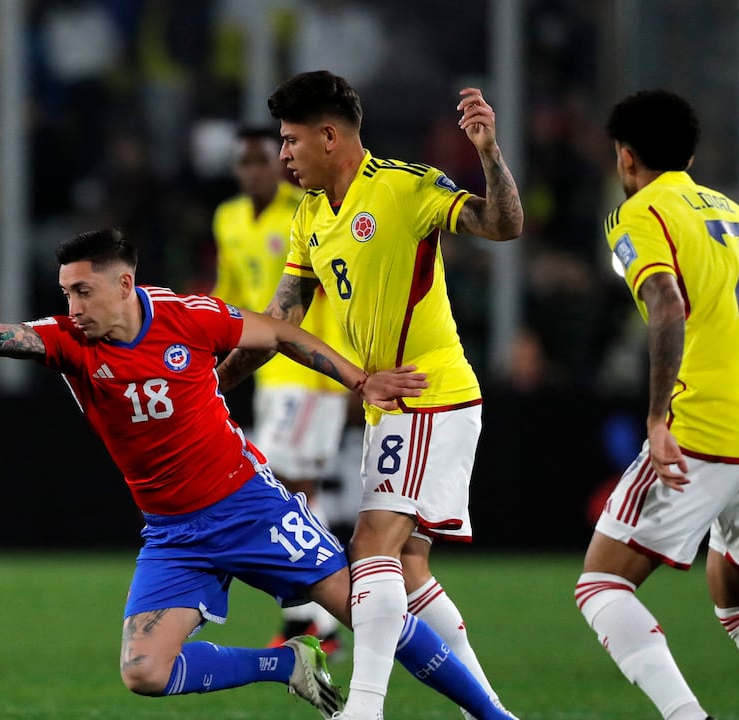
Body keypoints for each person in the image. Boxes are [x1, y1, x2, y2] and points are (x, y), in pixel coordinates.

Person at [0, 228, 517, 720]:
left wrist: (359, 381)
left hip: (249, 508)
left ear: (124, 285)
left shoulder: (190, 318)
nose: (73, 308)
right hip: (172, 534)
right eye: (66, 293)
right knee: (143, 672)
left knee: (372, 613)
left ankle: (493, 715)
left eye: (83, 292)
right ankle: (288, 662)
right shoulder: (67, 342)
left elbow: (282, 332)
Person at [215, 70, 524, 720]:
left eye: (292, 140)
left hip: (427, 390)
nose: (285, 155)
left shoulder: (405, 188)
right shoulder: (308, 216)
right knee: (409, 571)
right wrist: (212, 390)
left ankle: (364, 707)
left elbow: (502, 224)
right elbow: (277, 322)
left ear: (330, 136)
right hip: (391, 403)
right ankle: (490, 712)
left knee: (371, 546)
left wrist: (489, 155)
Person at [575, 89, 739, 720]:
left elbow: (664, 303)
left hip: (704, 425)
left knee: (601, 583)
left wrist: (657, 419)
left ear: (626, 157)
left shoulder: (639, 213)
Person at [211, 124, 352, 656]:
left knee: (286, 487)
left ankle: (311, 619)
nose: (252, 170)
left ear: (279, 162)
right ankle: (321, 622)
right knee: (292, 490)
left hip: (307, 371)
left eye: (261, 160)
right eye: (243, 162)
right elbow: (229, 291)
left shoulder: (306, 211)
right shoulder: (227, 219)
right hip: (267, 372)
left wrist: (346, 370)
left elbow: (332, 294)